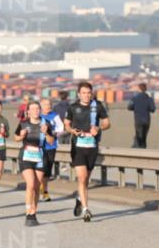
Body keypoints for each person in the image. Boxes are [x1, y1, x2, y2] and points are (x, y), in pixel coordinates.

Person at [65, 81, 111, 222]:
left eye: (88, 93)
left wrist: (98, 128)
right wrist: (72, 130)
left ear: (91, 94)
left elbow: (107, 123)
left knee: (86, 180)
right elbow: (66, 124)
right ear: (79, 94)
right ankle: (86, 210)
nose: (86, 95)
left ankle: (80, 198)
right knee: (82, 178)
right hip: (77, 145)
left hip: (92, 146)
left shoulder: (97, 106)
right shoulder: (73, 107)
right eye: (83, 93)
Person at [15, 100, 54, 226]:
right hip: (26, 156)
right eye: (33, 109)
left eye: (38, 109)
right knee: (30, 184)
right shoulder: (24, 123)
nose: (35, 111)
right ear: (28, 111)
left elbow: (51, 141)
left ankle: (33, 212)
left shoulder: (45, 123)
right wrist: (21, 136)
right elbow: (16, 138)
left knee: (37, 186)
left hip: (40, 156)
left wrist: (46, 132)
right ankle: (28, 212)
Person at [39, 97, 63, 200]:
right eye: (45, 104)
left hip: (51, 146)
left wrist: (53, 132)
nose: (48, 106)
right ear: (40, 106)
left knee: (47, 170)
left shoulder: (54, 116)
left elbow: (61, 128)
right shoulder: (37, 116)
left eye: (49, 104)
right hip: (39, 147)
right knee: (41, 168)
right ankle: (43, 190)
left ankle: (44, 189)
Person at [128, 83, 155, 148]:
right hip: (146, 120)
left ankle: (138, 150)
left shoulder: (134, 98)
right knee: (144, 137)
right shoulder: (149, 99)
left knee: (139, 136)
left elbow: (129, 107)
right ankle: (143, 149)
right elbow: (153, 109)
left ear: (139, 89)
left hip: (138, 120)